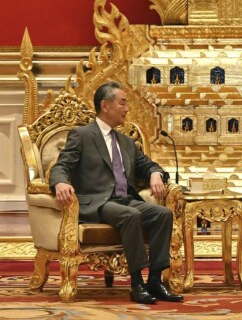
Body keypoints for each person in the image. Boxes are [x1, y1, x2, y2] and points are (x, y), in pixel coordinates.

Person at [50, 81, 183, 305]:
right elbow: (61, 166)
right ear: (105, 105)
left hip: (126, 199)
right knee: (131, 216)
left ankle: (155, 280)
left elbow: (150, 165)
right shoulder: (82, 135)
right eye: (122, 103)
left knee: (163, 214)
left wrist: (155, 175)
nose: (127, 108)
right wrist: (60, 183)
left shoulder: (126, 142)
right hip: (98, 203)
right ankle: (137, 284)